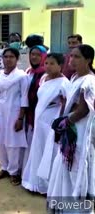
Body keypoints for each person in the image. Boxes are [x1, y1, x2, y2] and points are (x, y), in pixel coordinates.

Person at [47, 45, 95, 213]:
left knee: (76, 166)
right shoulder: (74, 77)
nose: (72, 60)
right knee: (66, 165)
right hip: (70, 128)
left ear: (88, 60)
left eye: (77, 57)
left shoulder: (89, 80)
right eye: (71, 56)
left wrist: (65, 122)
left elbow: (83, 109)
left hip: (79, 131)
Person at [22, 53, 71, 194]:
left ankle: (48, 185)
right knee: (38, 148)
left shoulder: (64, 83)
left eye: (52, 64)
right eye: (46, 63)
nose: (48, 66)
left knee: (51, 150)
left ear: (60, 65)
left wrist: (60, 122)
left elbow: (66, 104)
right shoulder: (43, 78)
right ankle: (34, 182)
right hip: (40, 117)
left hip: (52, 119)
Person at [0, 48, 28, 185]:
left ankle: (14, 171)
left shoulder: (22, 76)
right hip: (0, 111)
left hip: (15, 112)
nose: (8, 59)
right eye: (5, 56)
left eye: (11, 56)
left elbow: (24, 98)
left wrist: (20, 118)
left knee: (13, 143)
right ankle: (4, 168)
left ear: (17, 59)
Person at [23, 45, 47, 172]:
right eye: (32, 54)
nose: (34, 57)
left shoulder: (46, 73)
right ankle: (27, 172)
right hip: (28, 112)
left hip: (39, 113)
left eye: (38, 55)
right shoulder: (28, 71)